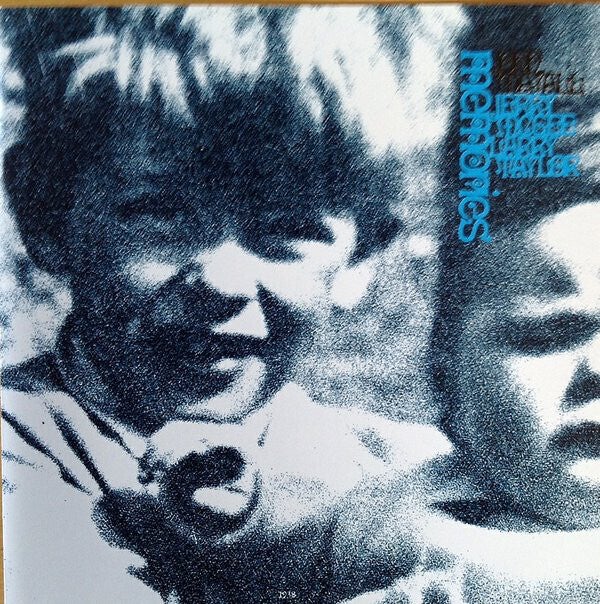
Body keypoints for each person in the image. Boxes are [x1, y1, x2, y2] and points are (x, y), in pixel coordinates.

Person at [0, 7, 462, 602]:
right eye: (160, 212)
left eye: (289, 227)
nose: (223, 281)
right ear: (45, 211)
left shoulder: (404, 479)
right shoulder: (20, 463)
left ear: (363, 253)